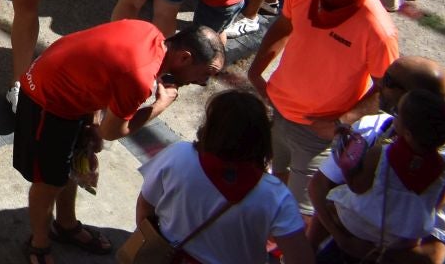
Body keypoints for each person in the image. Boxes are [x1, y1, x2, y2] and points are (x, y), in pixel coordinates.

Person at [14, 24, 226, 262]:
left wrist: (92, 119)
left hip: (70, 90)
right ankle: (38, 244)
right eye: (206, 73)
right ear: (185, 57)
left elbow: (100, 66)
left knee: (69, 167)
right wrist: (160, 106)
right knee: (48, 182)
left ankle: (65, 224)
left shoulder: (150, 33)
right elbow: (112, 131)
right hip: (47, 101)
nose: (203, 82)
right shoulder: (141, 77)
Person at [245, 0, 400, 215]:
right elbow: (284, 25)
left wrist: (341, 122)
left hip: (320, 133)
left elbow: (388, 89)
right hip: (278, 109)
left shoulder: (377, 29)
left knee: (306, 211)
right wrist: (256, 70)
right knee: (277, 179)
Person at [129, 90, 313, 264]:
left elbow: (144, 206)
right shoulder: (275, 195)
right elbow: (300, 259)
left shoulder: (178, 154)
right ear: (263, 138)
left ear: (211, 127)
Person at [309, 85, 445, 262]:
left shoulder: (381, 154)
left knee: (332, 203)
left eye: (398, 114)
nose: (394, 116)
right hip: (400, 240)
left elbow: (357, 187)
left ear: (408, 134)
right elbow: (434, 207)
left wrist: (347, 154)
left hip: (358, 225)